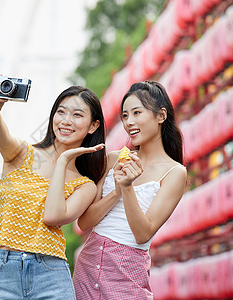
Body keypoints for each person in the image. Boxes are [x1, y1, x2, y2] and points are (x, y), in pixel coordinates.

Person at [0, 74, 107, 299]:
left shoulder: (85, 185)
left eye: (77, 115)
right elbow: (2, 136)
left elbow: (53, 217)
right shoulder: (21, 154)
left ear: (93, 126)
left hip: (50, 274)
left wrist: (62, 161)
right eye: (61, 111)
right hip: (5, 272)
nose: (66, 120)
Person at [72, 80, 187, 299]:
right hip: (87, 266)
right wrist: (116, 191)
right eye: (125, 116)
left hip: (126, 272)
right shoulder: (115, 158)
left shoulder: (174, 173)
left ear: (161, 116)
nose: (129, 122)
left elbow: (143, 233)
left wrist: (126, 188)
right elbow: (84, 222)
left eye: (136, 113)